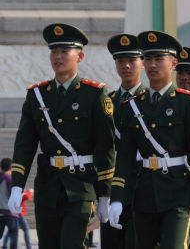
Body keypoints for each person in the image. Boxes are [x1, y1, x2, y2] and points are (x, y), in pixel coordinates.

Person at [8, 23, 115, 249]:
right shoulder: (36, 95)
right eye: (54, 52)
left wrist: (105, 194)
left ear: (80, 56)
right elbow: (25, 145)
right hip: (48, 187)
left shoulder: (94, 94)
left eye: (64, 52)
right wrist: (17, 185)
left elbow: (105, 146)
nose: (58, 57)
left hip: (81, 187)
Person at [108, 30, 190, 248]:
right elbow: (125, 157)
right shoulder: (133, 105)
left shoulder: (187, 102)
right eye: (148, 58)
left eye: (159, 59)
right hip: (144, 191)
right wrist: (116, 197)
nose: (153, 64)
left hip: (178, 193)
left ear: (173, 63)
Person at [101, 33, 146, 248]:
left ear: (142, 63)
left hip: (143, 187)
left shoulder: (150, 100)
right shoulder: (107, 102)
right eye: (120, 61)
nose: (126, 66)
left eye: (131, 60)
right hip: (112, 187)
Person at [0, 158, 18, 249]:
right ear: (11, 167)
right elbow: (12, 194)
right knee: (14, 233)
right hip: (9, 212)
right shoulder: (9, 178)